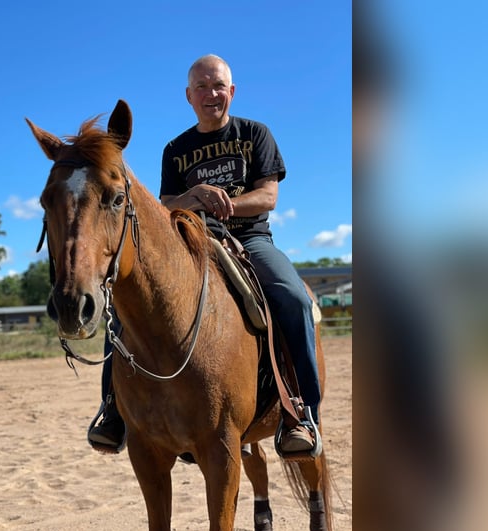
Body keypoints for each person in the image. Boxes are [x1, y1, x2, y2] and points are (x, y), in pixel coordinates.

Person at [88, 54, 320, 454]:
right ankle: (112, 408)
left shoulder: (255, 134)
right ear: (188, 96)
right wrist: (193, 197)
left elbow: (268, 196)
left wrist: (227, 202)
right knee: (126, 304)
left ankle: (301, 414)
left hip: (250, 240)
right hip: (190, 242)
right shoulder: (176, 149)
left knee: (294, 298)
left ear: (231, 92)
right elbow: (165, 205)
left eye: (218, 87)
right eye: (202, 87)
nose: (211, 94)